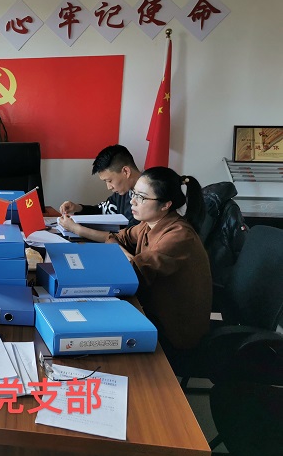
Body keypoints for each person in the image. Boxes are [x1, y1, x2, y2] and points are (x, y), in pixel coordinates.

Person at [106, 167, 212, 363]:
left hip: (173, 331)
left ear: (166, 205)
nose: (132, 201)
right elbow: (114, 238)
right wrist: (128, 256)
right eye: (134, 193)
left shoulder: (179, 236)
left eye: (141, 197)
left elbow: (131, 274)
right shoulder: (149, 224)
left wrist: (128, 261)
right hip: (150, 310)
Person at [59, 144, 142, 242]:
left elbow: (126, 238)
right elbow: (103, 211)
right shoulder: (124, 191)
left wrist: (77, 230)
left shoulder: (147, 197)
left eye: (109, 181)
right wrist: (77, 208)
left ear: (126, 172)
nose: (109, 187)